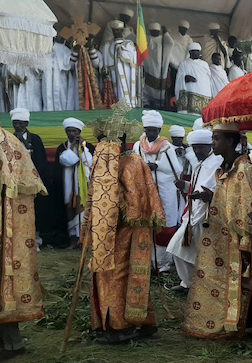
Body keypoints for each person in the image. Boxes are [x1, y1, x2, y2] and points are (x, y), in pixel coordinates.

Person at [182, 123, 252, 338]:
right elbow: (227, 200)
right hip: (219, 237)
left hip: (238, 239)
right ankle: (224, 321)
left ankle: (240, 324)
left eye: (217, 139)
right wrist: (211, 197)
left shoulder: (245, 169)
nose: (213, 143)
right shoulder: (225, 169)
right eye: (213, 139)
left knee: (240, 282)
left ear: (230, 141)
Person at [83, 112, 165, 343]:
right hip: (108, 231)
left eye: (106, 140)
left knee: (119, 274)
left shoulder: (132, 162)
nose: (103, 145)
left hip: (128, 230)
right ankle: (136, 323)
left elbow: (136, 202)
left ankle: (121, 326)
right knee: (113, 274)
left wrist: (112, 206)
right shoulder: (105, 163)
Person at [0, 122, 47, 361]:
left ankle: (12, 343)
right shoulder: (11, 142)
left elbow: (28, 185)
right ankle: (11, 342)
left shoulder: (9, 143)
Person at [167, 129, 222, 294]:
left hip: (206, 216)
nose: (197, 151)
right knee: (178, 249)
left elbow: (222, 191)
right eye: (194, 147)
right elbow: (195, 187)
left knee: (194, 253)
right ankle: (189, 283)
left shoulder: (217, 163)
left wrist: (209, 196)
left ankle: (195, 285)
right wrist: (184, 186)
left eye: (201, 148)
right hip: (193, 215)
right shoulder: (201, 164)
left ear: (209, 146)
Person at [132, 111, 184, 273]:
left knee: (165, 224)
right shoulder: (138, 145)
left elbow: (177, 168)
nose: (151, 133)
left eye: (154, 130)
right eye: (148, 129)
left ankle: (163, 263)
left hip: (164, 190)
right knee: (146, 224)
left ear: (159, 130)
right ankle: (147, 259)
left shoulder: (166, 146)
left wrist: (158, 166)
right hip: (145, 190)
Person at [11, 109, 48, 246]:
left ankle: (35, 238)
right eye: (15, 124)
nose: (17, 127)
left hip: (32, 180)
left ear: (26, 123)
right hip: (16, 180)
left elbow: (41, 161)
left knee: (35, 209)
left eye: (20, 123)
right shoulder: (10, 138)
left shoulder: (35, 139)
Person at [57, 118, 94, 248]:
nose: (72, 134)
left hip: (84, 183)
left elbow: (89, 162)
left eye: (75, 131)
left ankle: (85, 238)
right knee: (70, 206)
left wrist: (83, 148)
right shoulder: (62, 147)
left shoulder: (88, 146)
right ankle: (73, 237)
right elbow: (65, 161)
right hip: (68, 182)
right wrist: (72, 149)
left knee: (84, 207)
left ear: (79, 132)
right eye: (69, 131)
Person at [98, 20, 138, 108]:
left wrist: (121, 49)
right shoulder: (107, 46)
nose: (116, 32)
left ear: (122, 31)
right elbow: (102, 61)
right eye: (114, 30)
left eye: (118, 30)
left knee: (125, 97)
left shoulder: (128, 44)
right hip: (112, 77)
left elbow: (131, 59)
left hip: (126, 75)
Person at [143, 23, 177, 109]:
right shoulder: (146, 39)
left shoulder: (163, 40)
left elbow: (171, 43)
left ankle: (159, 105)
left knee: (159, 89)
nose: (155, 33)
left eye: (156, 31)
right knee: (147, 86)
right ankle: (146, 102)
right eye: (153, 31)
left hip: (160, 68)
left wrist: (165, 32)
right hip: (149, 66)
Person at [175, 43, 212, 115]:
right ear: (190, 52)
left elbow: (208, 79)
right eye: (194, 51)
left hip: (204, 92)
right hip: (190, 91)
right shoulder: (184, 63)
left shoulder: (204, 64)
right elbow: (179, 78)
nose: (196, 53)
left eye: (198, 51)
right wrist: (185, 78)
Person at [43, 35, 77, 111]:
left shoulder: (63, 49)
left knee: (62, 99)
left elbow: (70, 66)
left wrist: (75, 53)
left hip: (60, 80)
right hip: (47, 80)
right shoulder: (41, 50)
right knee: (47, 99)